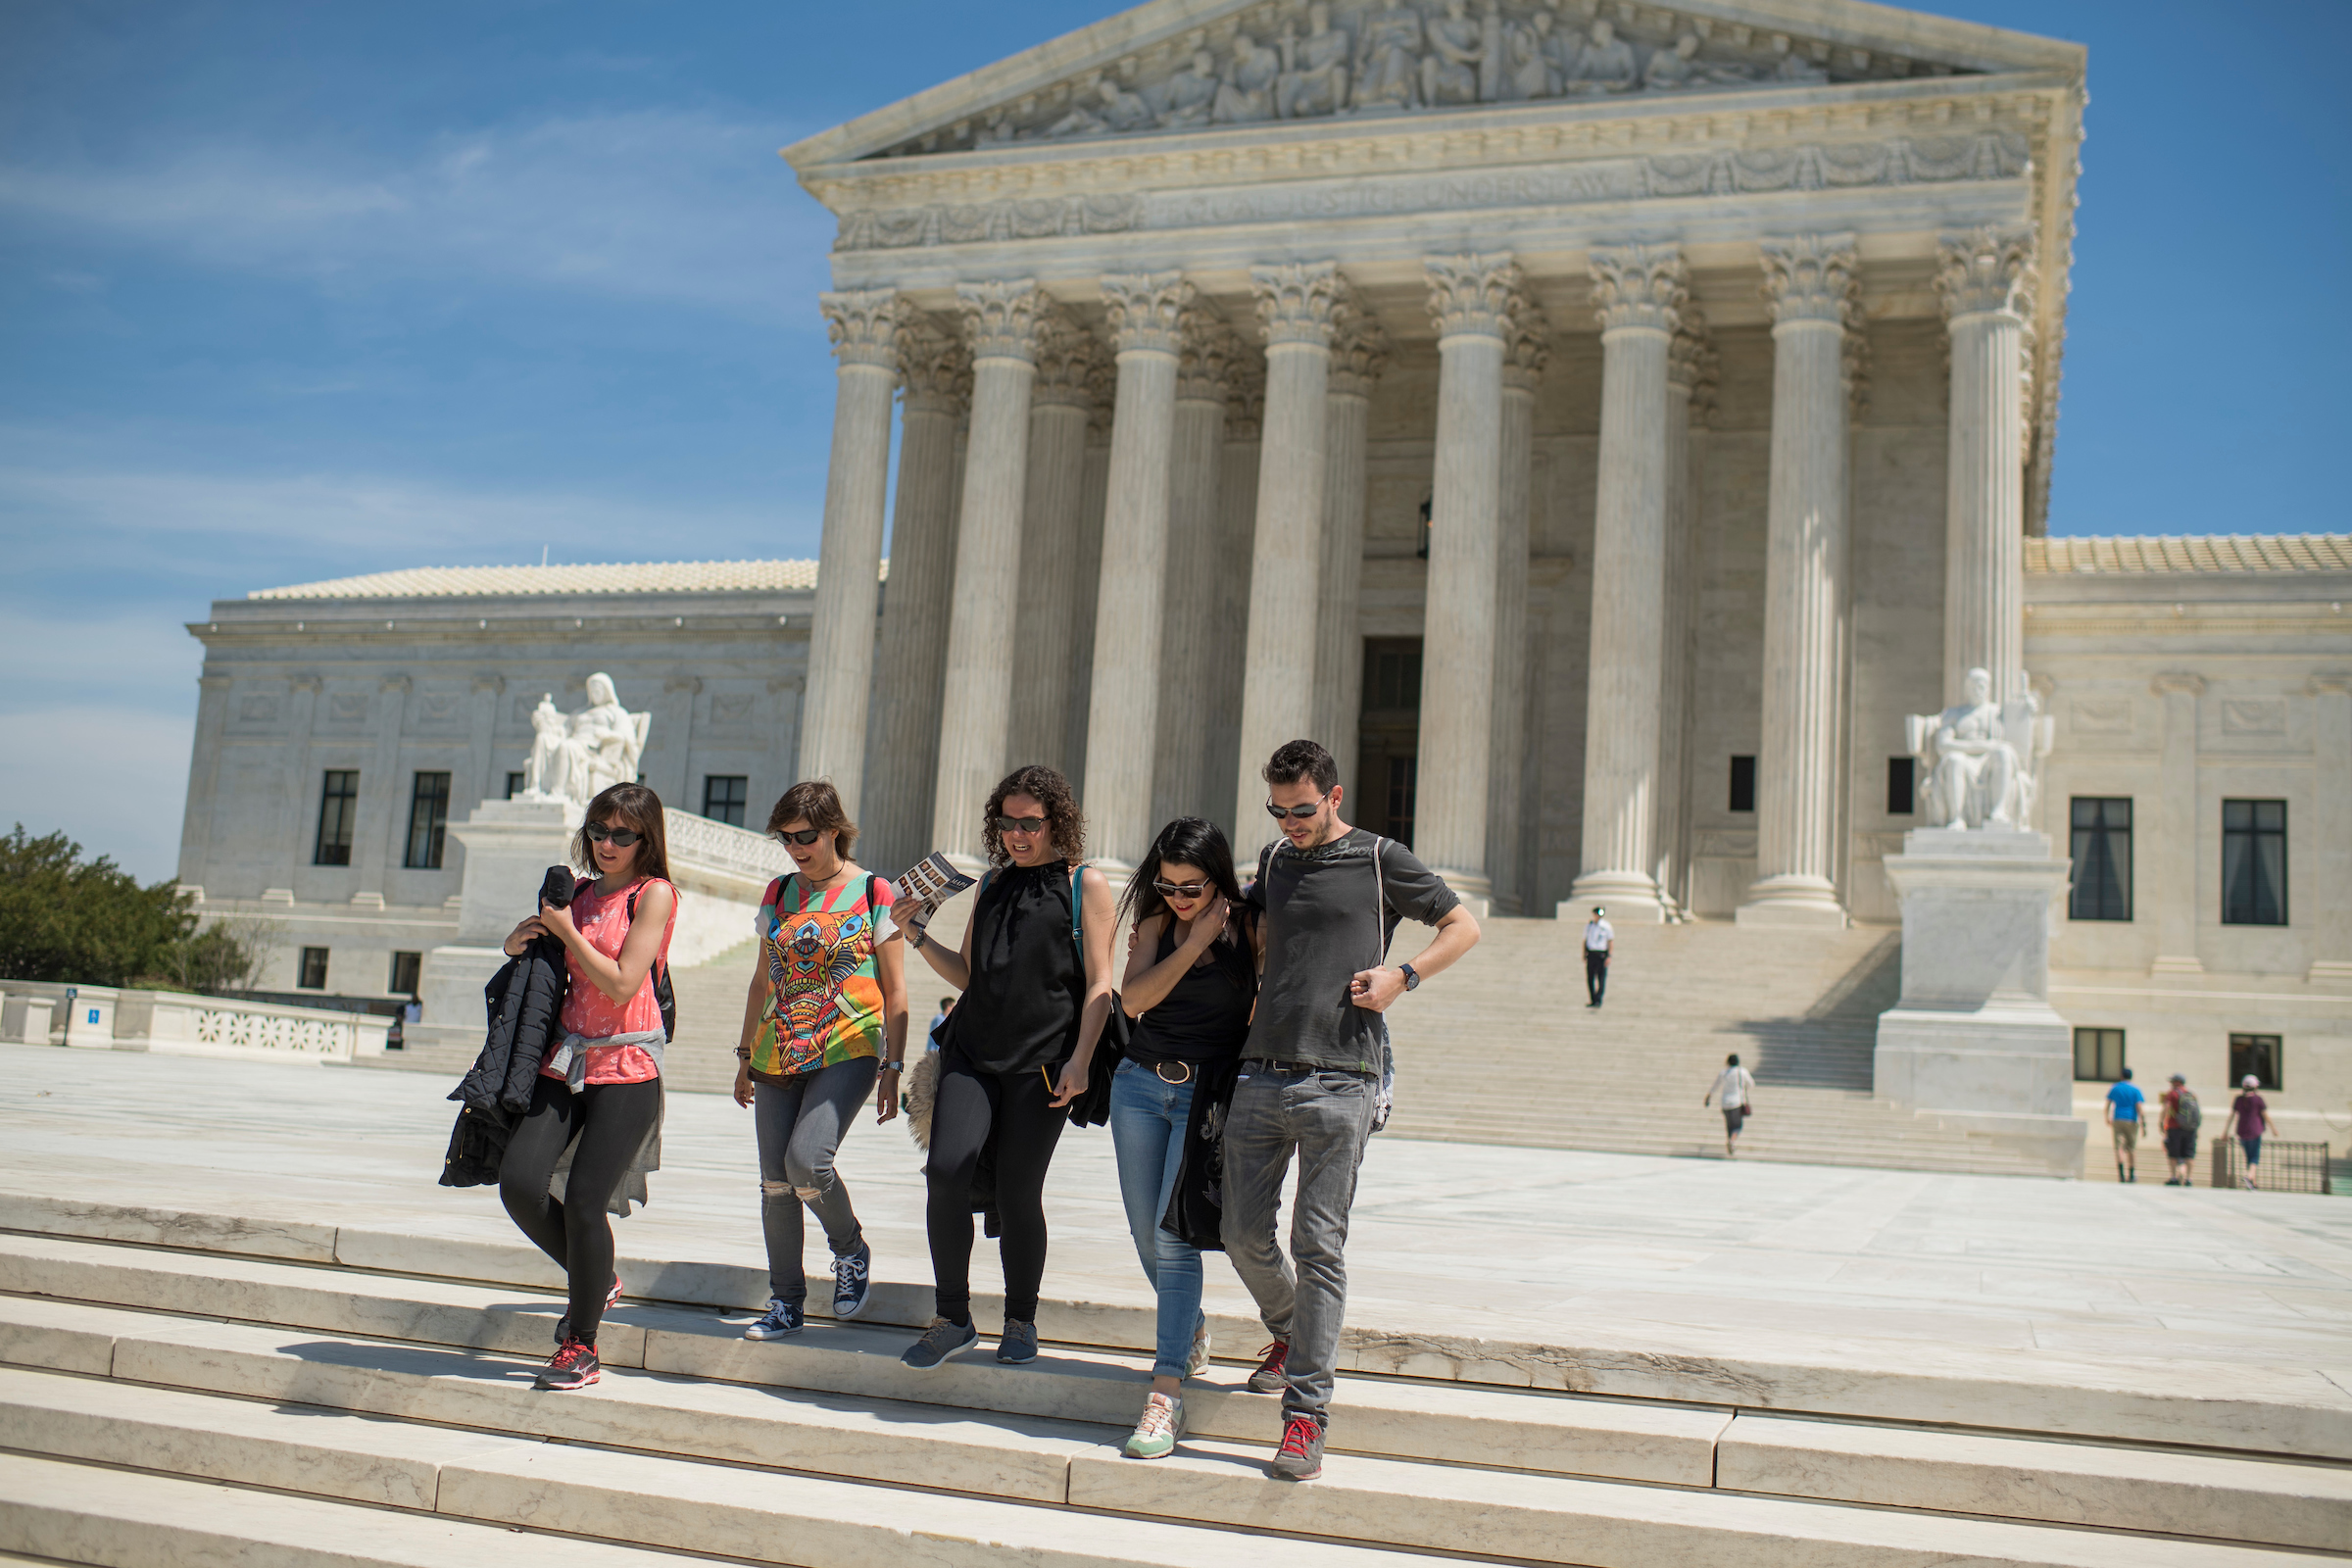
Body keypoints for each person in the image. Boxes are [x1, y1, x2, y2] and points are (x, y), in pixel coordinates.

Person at [1224, 739, 1481, 1482]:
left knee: (1318, 1245)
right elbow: (1262, 939)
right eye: (1277, 811)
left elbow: (1462, 926)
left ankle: (1305, 1416)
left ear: (1334, 797)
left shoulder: (1379, 858)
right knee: (1240, 1232)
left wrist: (1404, 974)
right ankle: (1290, 1328)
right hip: (1261, 1070)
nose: (1289, 823)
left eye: (1302, 810)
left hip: (1343, 1075)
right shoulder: (1274, 863)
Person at [897, 764, 1116, 1371]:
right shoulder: (990, 884)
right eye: (1008, 823)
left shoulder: (1086, 884)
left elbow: (1101, 981)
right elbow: (969, 974)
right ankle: (953, 1318)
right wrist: (916, 935)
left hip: (1043, 1065)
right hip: (972, 1052)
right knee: (945, 1172)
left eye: (1030, 823)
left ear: (1056, 822)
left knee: (1020, 1193)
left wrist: (1081, 1060)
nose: (1018, 834)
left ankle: (1021, 1319)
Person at [497, 782, 677, 1393]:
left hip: (627, 1067)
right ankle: (595, 1278)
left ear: (644, 838)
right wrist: (518, 940)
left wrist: (566, 931)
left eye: (622, 834)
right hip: (564, 1060)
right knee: (519, 1184)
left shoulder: (653, 895)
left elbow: (626, 984)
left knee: (582, 1201)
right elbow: (540, 952)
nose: (606, 844)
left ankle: (582, 1343)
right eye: (598, 831)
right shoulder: (574, 893)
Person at [731, 780, 906, 1341]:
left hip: (848, 1045)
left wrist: (893, 1068)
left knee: (807, 1162)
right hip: (777, 1047)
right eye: (786, 838)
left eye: (805, 836)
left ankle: (850, 1249)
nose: (795, 848)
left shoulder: (876, 891)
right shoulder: (778, 892)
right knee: (773, 1183)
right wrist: (742, 1056)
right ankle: (786, 1301)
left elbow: (897, 991)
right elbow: (761, 980)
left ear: (835, 830)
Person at [1110, 816, 1262, 1460]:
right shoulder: (1155, 924)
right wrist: (1192, 937)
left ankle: (1166, 1389)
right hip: (1139, 1086)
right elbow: (1135, 999)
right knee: (1146, 1234)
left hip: (1204, 1094)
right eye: (1169, 885)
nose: (1179, 896)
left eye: (1192, 887)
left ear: (1217, 877)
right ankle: (1191, 1325)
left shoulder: (1251, 927)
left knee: (1174, 1239)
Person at [1704, 1053, 1754, 1157]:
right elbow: (1751, 1084)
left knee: (1729, 1125)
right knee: (1737, 1125)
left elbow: (1715, 1085)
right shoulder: (1742, 1072)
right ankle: (1732, 1141)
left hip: (1725, 1103)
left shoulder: (1724, 1073)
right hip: (1737, 1102)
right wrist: (1743, 1089)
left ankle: (1730, 1141)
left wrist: (1709, 1096)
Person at [2104, 1067, 2145, 1183]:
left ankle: (2121, 1174)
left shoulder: (2115, 1088)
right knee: (2131, 1148)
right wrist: (2143, 1123)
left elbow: (2107, 1105)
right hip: (2131, 1120)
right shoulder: (2135, 1090)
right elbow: (2139, 1107)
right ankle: (2131, 1174)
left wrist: (2107, 1118)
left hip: (2118, 1119)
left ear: (2121, 1076)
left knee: (2119, 1148)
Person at [2231, 1075, 2274, 1190]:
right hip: (2255, 1131)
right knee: (2254, 1158)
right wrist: (2274, 1129)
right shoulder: (2258, 1100)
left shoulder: (2239, 1099)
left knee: (2249, 1157)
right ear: (2255, 1087)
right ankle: (2249, 1176)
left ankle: (2253, 1183)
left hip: (2242, 1132)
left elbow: (2231, 1116)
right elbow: (2266, 1116)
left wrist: (2225, 1132)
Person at [2160, 1072, 2200, 1187]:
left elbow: (2166, 1109)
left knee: (2173, 1154)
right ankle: (2189, 1178)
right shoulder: (2191, 1094)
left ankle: (2174, 1177)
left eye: (2172, 1081)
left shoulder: (2172, 1094)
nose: (2171, 1084)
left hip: (2175, 1128)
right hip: (2190, 1129)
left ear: (2177, 1082)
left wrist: (2162, 1123)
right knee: (2189, 1154)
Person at [1583, 906, 1613, 1007]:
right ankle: (1592, 999)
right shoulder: (1589, 926)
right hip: (1591, 953)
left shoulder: (1606, 926)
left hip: (1601, 954)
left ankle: (1598, 999)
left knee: (1601, 978)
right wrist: (1584, 953)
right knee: (1590, 978)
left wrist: (1609, 956)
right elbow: (1585, 940)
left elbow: (1610, 941)